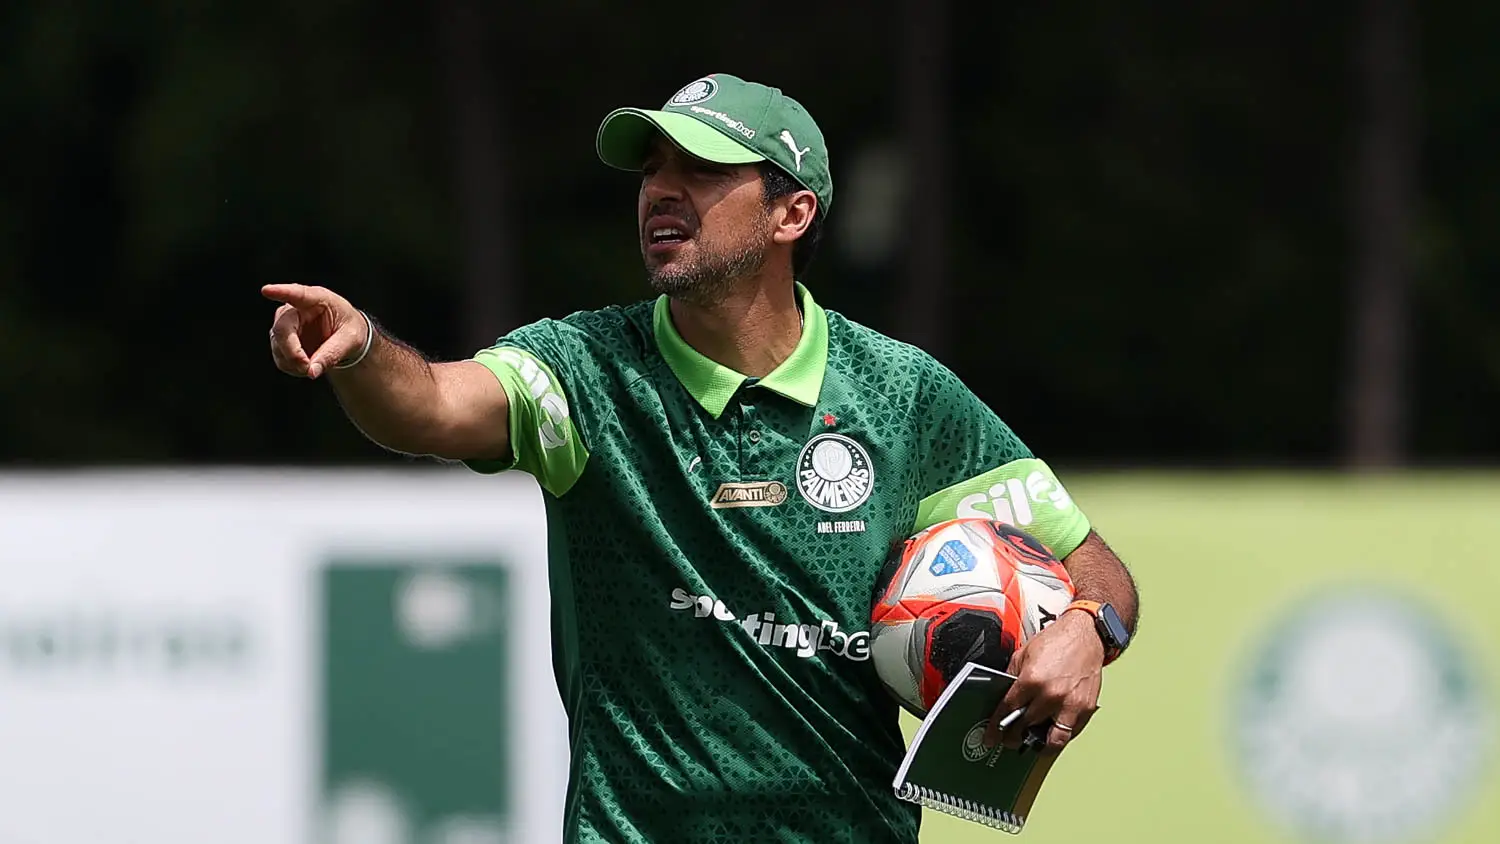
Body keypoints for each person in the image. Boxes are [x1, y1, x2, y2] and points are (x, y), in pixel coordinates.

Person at [266, 73, 1139, 843]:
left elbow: (1097, 571)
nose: (661, 192)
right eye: (650, 171)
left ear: (791, 213)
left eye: (703, 170)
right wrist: (360, 347)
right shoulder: (586, 372)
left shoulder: (905, 396)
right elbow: (434, 406)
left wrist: (1086, 630)